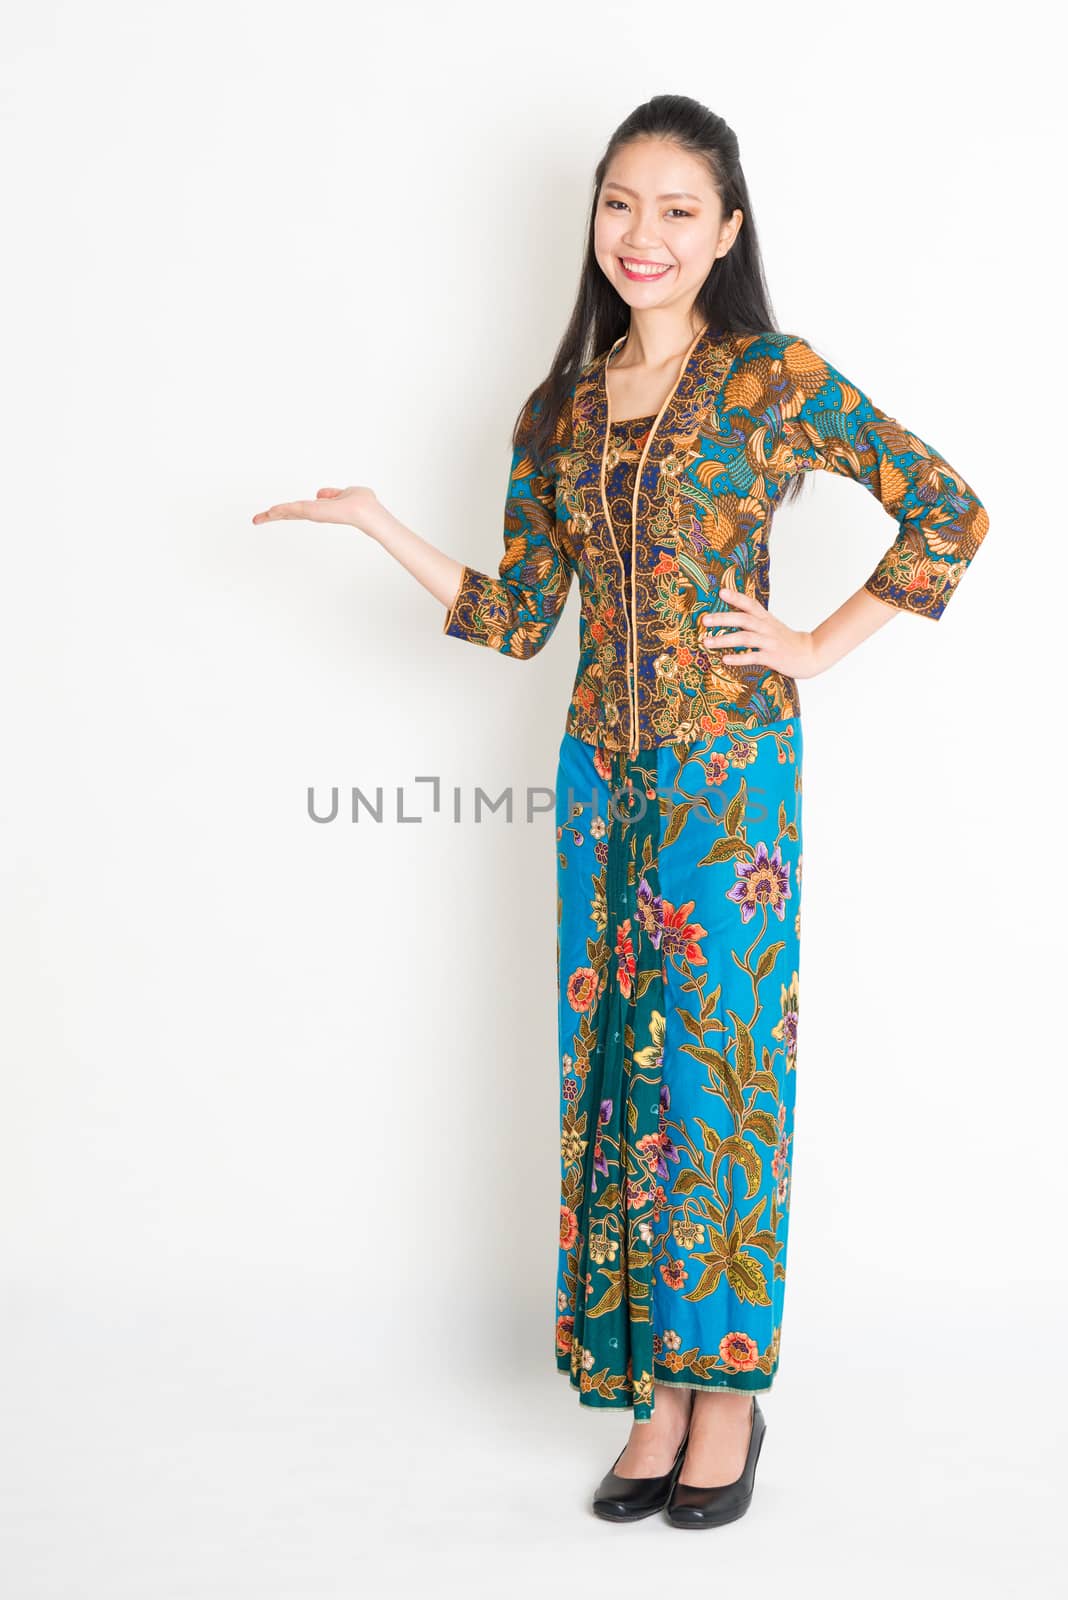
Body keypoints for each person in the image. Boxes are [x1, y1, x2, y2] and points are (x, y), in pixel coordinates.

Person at [252, 94, 988, 1528]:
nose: (640, 236)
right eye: (617, 205)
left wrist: (816, 646)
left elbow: (948, 507)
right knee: (613, 1081)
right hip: (599, 780)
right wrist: (379, 524)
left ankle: (729, 1397)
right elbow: (524, 616)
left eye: (673, 210)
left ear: (723, 232)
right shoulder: (559, 410)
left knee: (722, 1086)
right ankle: (652, 1393)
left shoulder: (773, 380)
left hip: (730, 790)